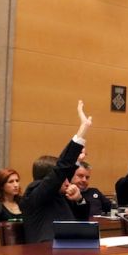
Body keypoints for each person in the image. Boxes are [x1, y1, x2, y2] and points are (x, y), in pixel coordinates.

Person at [20, 101, 92, 243]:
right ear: (48, 179)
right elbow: (61, 168)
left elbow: (82, 223)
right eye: (62, 178)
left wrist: (79, 200)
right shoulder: (35, 194)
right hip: (44, 253)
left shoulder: (61, 196)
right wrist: (82, 130)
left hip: (71, 248)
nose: (68, 181)